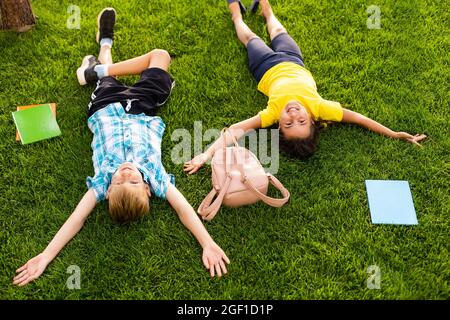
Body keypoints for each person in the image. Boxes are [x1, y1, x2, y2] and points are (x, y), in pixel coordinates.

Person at [13, 8, 229, 286]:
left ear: (108, 190)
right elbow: (184, 209)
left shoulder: (101, 181)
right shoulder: (157, 177)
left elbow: (76, 220)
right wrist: (207, 243)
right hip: (141, 107)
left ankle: (104, 47)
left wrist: (45, 256)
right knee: (160, 55)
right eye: (134, 181)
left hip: (105, 107)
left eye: (119, 181)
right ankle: (97, 70)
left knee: (107, 81)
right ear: (148, 190)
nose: (126, 172)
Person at [183, 0, 426, 174]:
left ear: (279, 125)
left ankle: (235, 11)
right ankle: (266, 9)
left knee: (250, 39)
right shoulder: (321, 108)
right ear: (312, 119)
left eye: (288, 124)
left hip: (265, 66)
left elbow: (236, 130)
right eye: (301, 121)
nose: (293, 115)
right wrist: (393, 133)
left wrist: (206, 154)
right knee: (278, 30)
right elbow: (360, 119)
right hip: (293, 59)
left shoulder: (271, 113)